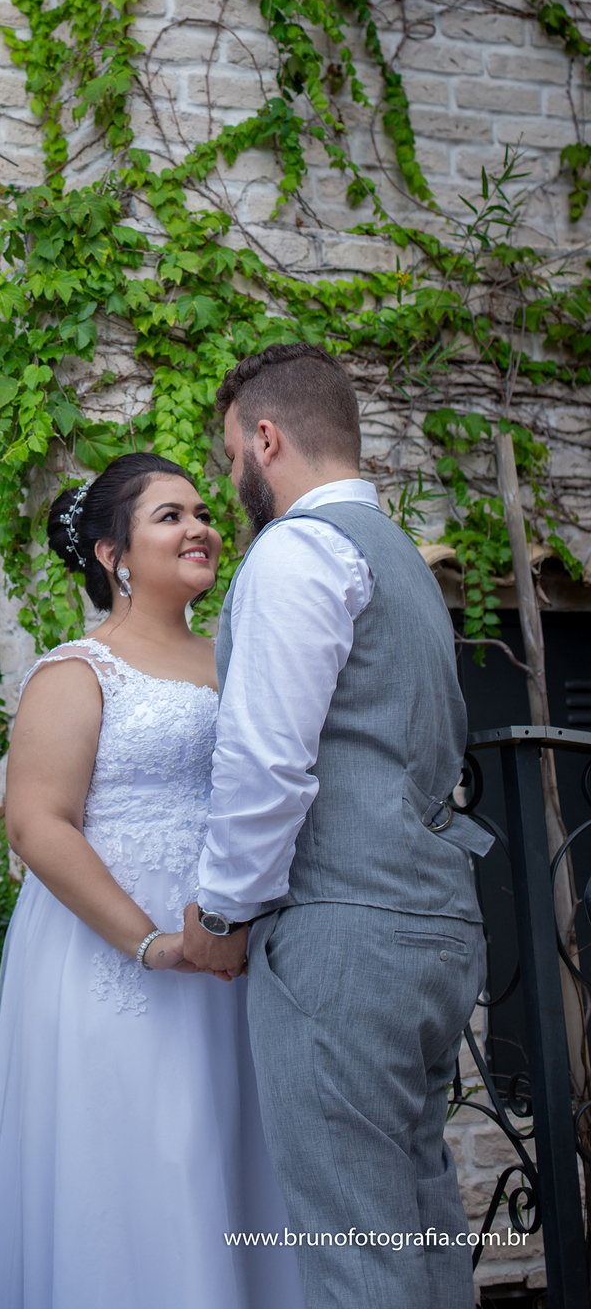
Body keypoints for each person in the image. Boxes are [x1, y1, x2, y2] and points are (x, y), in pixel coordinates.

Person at [181, 342, 492, 1309]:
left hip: (342, 939)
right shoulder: (400, 560)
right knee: (423, 1227)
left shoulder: (297, 551)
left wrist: (222, 913)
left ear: (266, 440)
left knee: (357, 1257)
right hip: (437, 928)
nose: (230, 479)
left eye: (232, 454)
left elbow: (268, 761)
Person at [0, 452, 304, 1309]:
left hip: (232, 951)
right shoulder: (77, 671)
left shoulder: (235, 660)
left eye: (202, 512)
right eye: (170, 516)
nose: (200, 529)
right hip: (119, 958)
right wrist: (148, 944)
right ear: (113, 554)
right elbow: (36, 823)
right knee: (147, 1157)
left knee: (233, 1152)